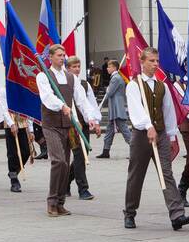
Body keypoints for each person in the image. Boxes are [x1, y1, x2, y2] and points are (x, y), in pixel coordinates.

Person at [122, 47, 189, 231]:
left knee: (166, 173)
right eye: (151, 61)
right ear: (142, 61)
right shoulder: (134, 85)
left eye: (156, 61)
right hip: (141, 135)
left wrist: (170, 135)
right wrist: (148, 126)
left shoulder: (162, 85)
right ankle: (130, 213)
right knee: (136, 175)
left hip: (160, 134)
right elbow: (135, 109)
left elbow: (168, 110)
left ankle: (177, 214)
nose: (155, 64)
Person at [36, 44, 100, 217]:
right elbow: (47, 97)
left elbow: (81, 100)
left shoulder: (71, 78)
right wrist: (61, 105)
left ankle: (60, 202)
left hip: (69, 125)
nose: (62, 58)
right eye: (58, 55)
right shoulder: (43, 76)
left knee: (65, 163)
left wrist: (90, 118)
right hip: (51, 125)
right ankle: (51, 201)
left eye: (64, 55)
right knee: (59, 161)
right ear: (50, 57)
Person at [65, 56, 100, 201]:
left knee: (82, 155)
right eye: (74, 67)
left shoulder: (85, 84)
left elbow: (91, 103)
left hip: (84, 124)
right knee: (79, 155)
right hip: (70, 125)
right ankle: (83, 189)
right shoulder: (64, 83)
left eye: (78, 66)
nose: (77, 69)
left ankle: (65, 181)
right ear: (68, 68)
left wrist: (95, 121)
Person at [97, 59, 132, 158]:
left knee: (125, 130)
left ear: (114, 68)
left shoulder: (115, 78)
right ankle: (106, 151)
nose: (107, 68)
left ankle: (135, 150)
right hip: (114, 108)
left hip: (117, 108)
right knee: (109, 131)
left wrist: (107, 89)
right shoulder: (115, 77)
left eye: (109, 66)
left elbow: (110, 92)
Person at [5, 110, 33, 193]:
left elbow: (28, 109)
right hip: (10, 123)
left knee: (26, 151)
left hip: (22, 122)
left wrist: (31, 130)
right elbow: (4, 108)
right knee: (12, 153)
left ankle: (13, 172)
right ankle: (14, 180)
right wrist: (11, 124)